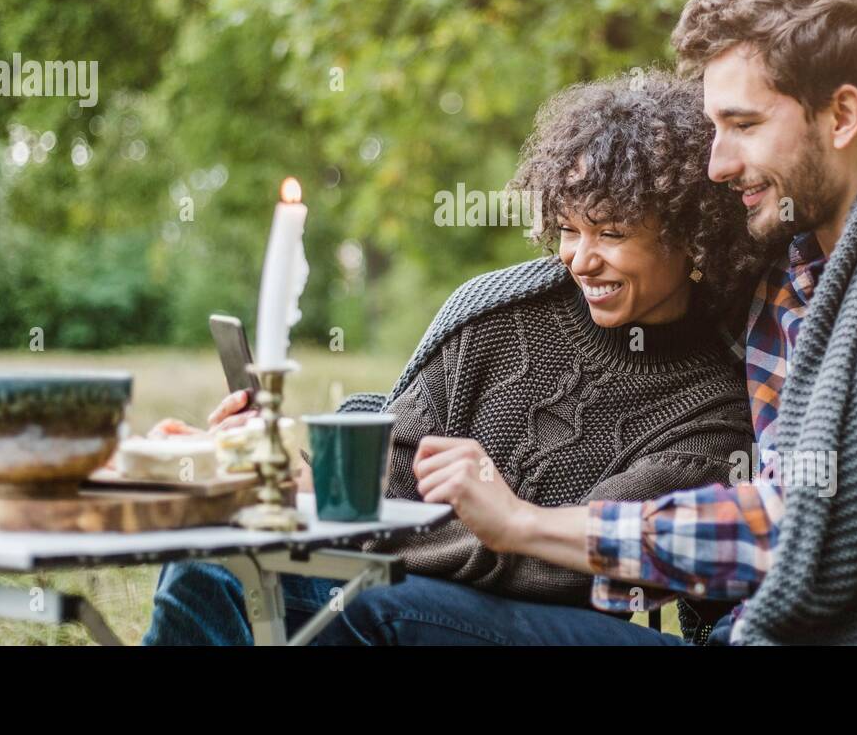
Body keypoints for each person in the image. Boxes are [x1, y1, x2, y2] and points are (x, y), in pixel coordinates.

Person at [310, 0, 857, 645]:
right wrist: (320, 448)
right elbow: (623, 318)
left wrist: (522, 525)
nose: (717, 163)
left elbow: (796, 527)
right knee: (237, 587)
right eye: (710, 126)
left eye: (742, 125)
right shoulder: (800, 258)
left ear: (842, 115)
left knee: (377, 616)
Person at [144, 70, 770, 645]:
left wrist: (358, 516)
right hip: (398, 581)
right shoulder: (497, 314)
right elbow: (390, 468)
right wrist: (295, 479)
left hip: (527, 624)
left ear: (691, 234)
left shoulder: (710, 408)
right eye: (568, 229)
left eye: (611, 234)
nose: (580, 258)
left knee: (363, 608)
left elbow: (550, 566)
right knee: (212, 559)